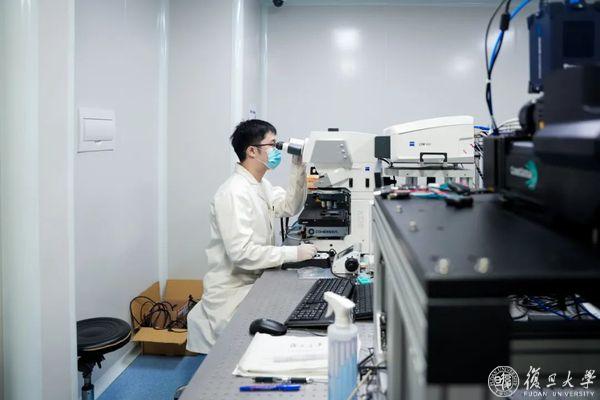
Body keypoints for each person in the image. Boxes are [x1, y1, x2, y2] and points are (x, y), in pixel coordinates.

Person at [186, 119, 317, 354]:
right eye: (273, 144)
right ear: (252, 151)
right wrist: (294, 253)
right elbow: (242, 254)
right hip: (233, 293)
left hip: (255, 282)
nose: (277, 150)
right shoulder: (233, 193)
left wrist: (298, 167)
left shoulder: (259, 184)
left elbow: (289, 206)